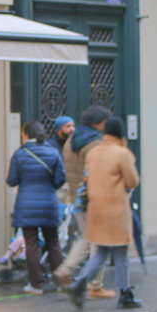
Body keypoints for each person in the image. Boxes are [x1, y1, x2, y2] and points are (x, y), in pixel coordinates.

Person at [69, 118, 143, 310]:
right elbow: (133, 181)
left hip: (96, 210)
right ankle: (125, 293)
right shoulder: (122, 153)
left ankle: (80, 283)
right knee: (121, 254)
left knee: (100, 253)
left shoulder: (93, 153)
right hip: (116, 210)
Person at [53, 106, 114, 299]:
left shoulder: (71, 141)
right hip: (94, 199)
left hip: (77, 198)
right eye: (105, 122)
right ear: (98, 123)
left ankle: (69, 272)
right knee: (98, 241)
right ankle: (93, 284)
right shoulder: (94, 144)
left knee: (87, 238)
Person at [5, 121, 66, 295]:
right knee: (54, 242)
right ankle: (61, 283)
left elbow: (11, 181)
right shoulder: (53, 152)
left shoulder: (20, 154)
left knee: (31, 244)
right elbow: (60, 180)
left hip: (27, 205)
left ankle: (36, 284)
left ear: (25, 134)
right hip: (49, 203)